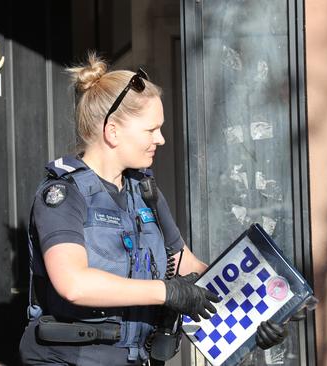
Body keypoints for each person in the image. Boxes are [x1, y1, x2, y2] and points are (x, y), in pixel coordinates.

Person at [19, 53, 288, 365]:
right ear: (113, 131)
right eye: (151, 130)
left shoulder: (145, 193)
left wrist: (264, 303)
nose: (160, 139)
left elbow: (187, 268)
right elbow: (74, 284)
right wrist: (167, 292)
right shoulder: (63, 195)